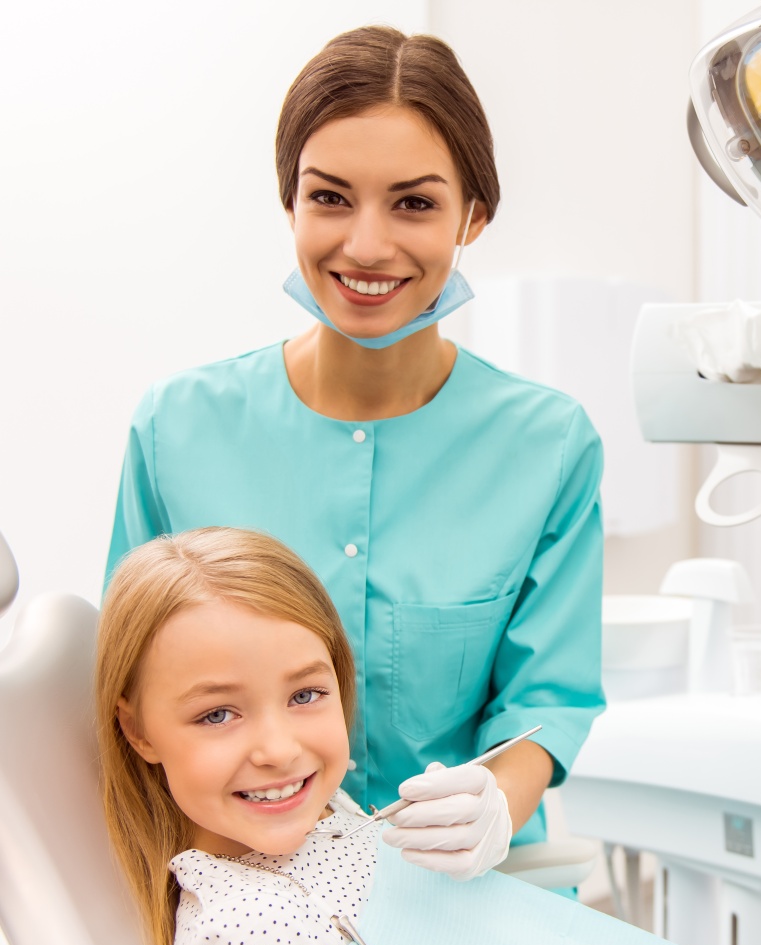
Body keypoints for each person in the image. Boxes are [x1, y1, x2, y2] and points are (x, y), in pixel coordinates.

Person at [105, 25, 604, 877]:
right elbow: (130, 697)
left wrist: (494, 805)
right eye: (330, 197)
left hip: (464, 892)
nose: (367, 246)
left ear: (473, 216)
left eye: (414, 203)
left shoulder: (548, 446)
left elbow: (547, 701)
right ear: (290, 203)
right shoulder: (176, 429)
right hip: (242, 902)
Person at [97, 527, 379, 945]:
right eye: (217, 715)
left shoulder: (321, 805)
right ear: (137, 731)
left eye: (304, 696)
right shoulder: (247, 930)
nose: (280, 751)